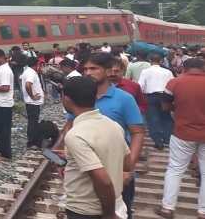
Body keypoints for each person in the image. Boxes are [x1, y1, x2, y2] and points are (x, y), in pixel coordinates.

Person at [62, 53, 144, 219]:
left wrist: (129, 169)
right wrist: (68, 150)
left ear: (108, 71)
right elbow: (70, 126)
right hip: (89, 161)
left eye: (93, 68)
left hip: (116, 163)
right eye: (85, 69)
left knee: (122, 206)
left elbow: (137, 133)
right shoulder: (83, 96)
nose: (88, 73)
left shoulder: (125, 98)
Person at [156, 58, 205, 219]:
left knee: (175, 170)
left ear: (184, 68)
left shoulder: (174, 83)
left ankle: (167, 208)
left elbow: (165, 106)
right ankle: (202, 211)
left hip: (182, 133)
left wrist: (179, 108)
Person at [139, 53, 175, 150]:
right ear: (161, 61)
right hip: (165, 96)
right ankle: (167, 137)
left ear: (150, 61)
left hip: (150, 96)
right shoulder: (167, 72)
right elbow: (172, 84)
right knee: (166, 117)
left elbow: (140, 86)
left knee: (152, 119)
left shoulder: (145, 71)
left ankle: (158, 141)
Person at [21, 56, 44, 149]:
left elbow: (20, 79)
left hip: (30, 101)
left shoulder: (26, 71)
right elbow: (28, 85)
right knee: (33, 122)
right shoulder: (31, 73)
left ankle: (33, 141)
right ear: (37, 64)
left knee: (32, 121)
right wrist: (32, 96)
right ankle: (31, 143)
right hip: (33, 102)